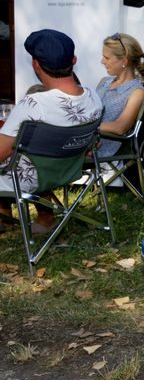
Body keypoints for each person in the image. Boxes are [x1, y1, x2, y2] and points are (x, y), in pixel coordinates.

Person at [0, 29, 102, 232]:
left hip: (28, 180)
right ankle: (43, 218)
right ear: (73, 60)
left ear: (35, 64)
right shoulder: (93, 99)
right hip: (66, 170)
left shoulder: (34, 105)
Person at [95, 33, 144, 157]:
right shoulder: (104, 82)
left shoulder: (136, 92)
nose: (102, 61)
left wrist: (86, 129)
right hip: (85, 143)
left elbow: (120, 127)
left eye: (107, 58)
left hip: (104, 152)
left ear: (124, 61)